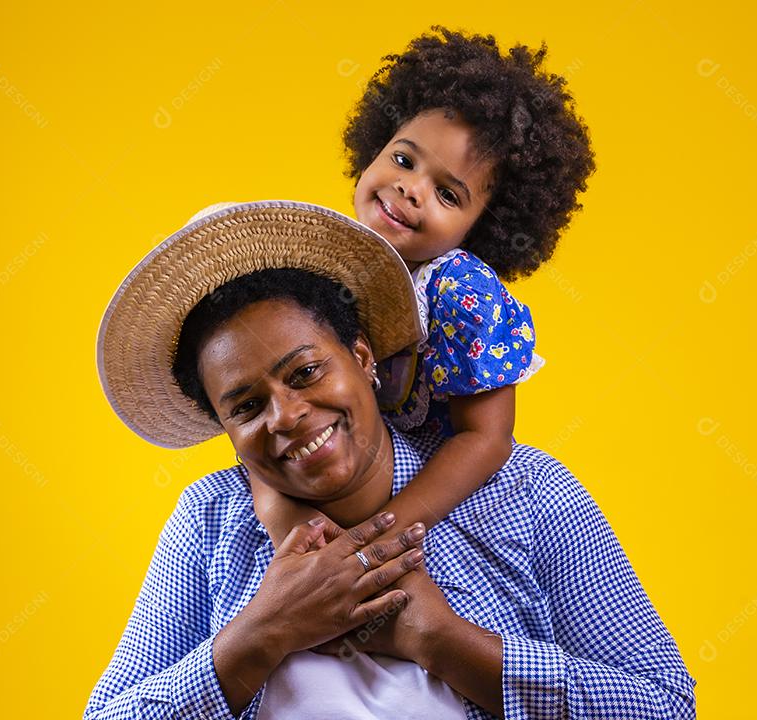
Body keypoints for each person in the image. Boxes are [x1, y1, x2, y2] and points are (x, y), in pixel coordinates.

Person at [86, 201, 695, 719]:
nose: (286, 416)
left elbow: (667, 705)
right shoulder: (211, 520)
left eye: (305, 372)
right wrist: (263, 632)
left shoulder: (527, 493)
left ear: (363, 356)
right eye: (246, 407)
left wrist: (445, 642)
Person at [250, 27, 597, 555]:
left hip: (423, 498)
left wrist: (377, 539)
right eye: (405, 160)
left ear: (481, 228)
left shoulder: (460, 291)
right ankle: (291, 547)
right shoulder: (324, 264)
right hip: (326, 471)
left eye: (447, 194)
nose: (410, 188)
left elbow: (486, 440)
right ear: (374, 146)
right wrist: (293, 531)